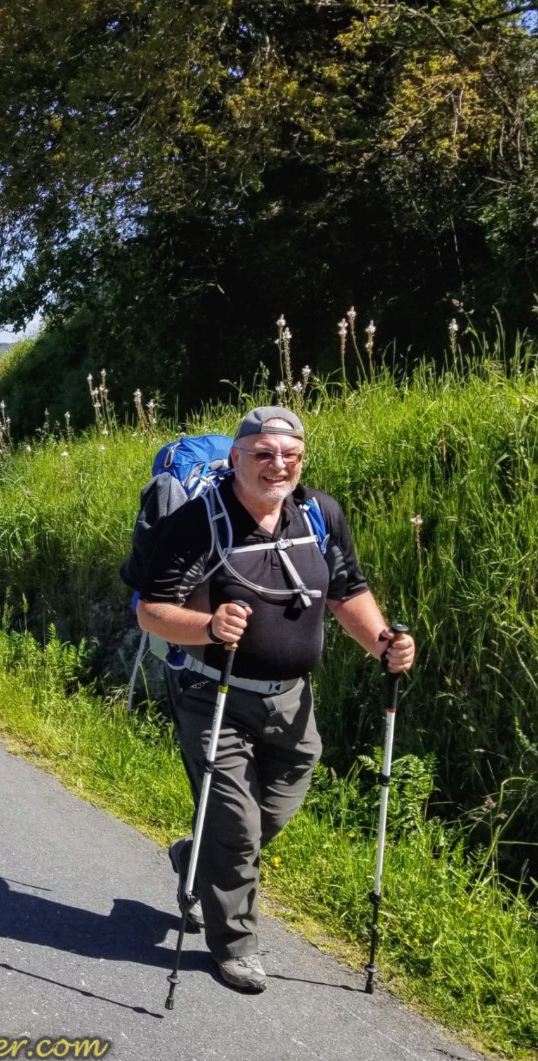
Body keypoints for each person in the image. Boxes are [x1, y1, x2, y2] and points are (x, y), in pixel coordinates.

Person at [136, 405, 415, 993]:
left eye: (289, 454)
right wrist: (210, 627)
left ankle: (200, 856)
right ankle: (235, 946)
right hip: (213, 693)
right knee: (236, 828)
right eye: (262, 453)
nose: (277, 465)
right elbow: (151, 610)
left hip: (292, 703)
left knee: (277, 807)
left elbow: (347, 591)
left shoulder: (319, 513)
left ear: (302, 460)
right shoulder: (200, 521)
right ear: (236, 458)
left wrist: (383, 643)